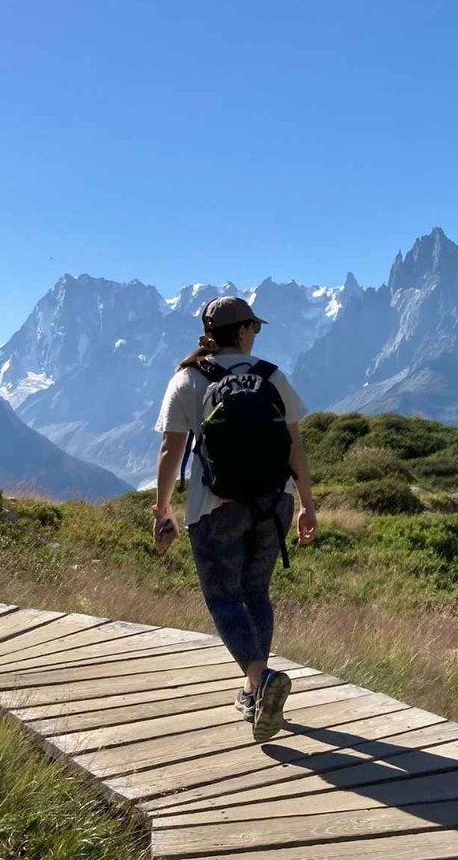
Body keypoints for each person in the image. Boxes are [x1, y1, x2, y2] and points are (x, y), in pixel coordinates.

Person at [151, 295, 318, 741]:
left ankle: (260, 680)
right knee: (256, 591)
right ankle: (254, 690)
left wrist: (164, 509)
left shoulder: (188, 378)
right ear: (243, 331)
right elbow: (294, 445)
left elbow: (172, 450)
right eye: (255, 328)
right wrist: (306, 503)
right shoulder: (270, 376)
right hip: (273, 501)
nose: (256, 336)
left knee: (223, 598)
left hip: (214, 506)